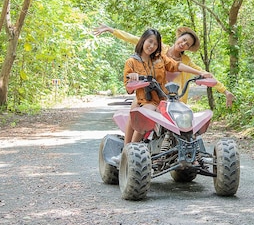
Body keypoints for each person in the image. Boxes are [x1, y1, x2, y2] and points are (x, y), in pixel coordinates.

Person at [111, 28, 213, 164]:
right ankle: (129, 152)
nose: (152, 46)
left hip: (164, 99)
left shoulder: (160, 59)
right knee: (145, 112)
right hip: (147, 100)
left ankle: (192, 153)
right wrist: (133, 78)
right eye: (150, 42)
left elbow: (177, 66)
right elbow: (128, 85)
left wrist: (199, 73)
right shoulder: (132, 62)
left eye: (155, 44)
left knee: (185, 116)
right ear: (143, 41)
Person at [94, 24, 234, 107]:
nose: (183, 44)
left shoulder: (186, 62)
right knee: (138, 114)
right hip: (150, 95)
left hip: (174, 101)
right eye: (183, 40)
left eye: (187, 44)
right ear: (178, 37)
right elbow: (134, 39)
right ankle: (130, 149)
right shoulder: (159, 49)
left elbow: (204, 73)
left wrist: (225, 91)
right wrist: (111, 30)